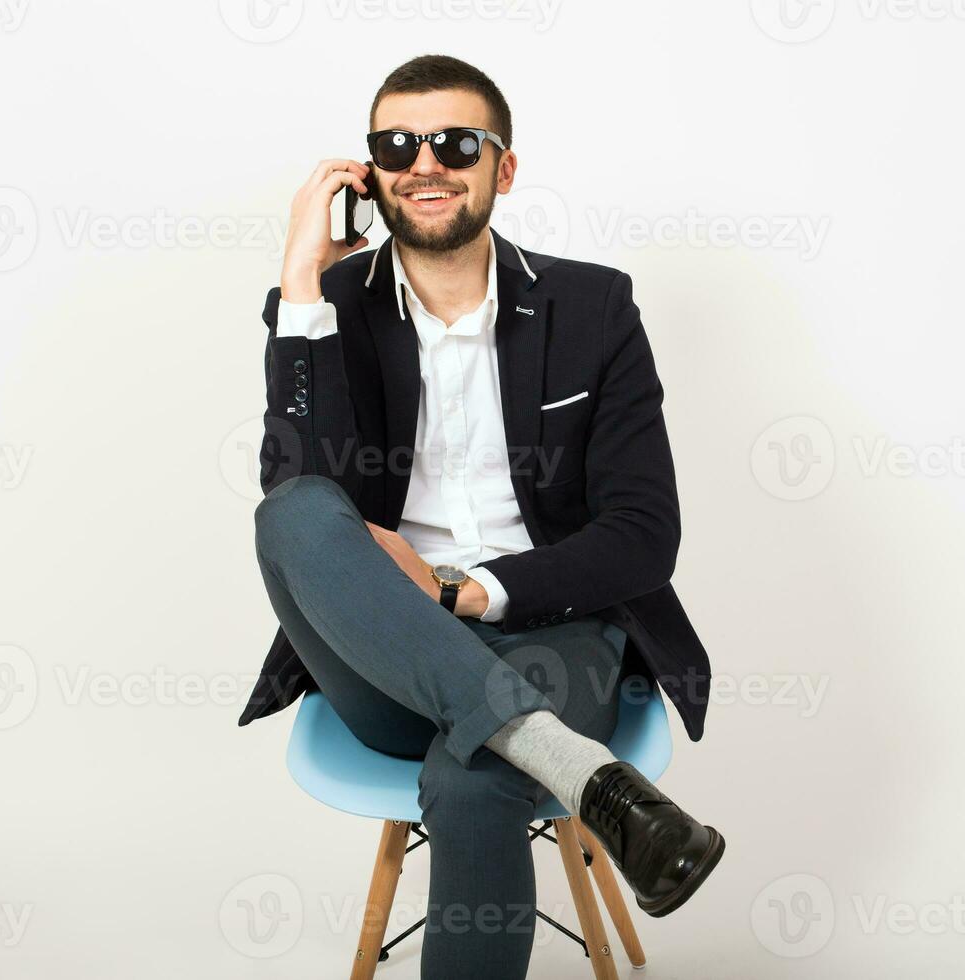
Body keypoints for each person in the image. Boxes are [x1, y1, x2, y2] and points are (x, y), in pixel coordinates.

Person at [239, 54, 724, 979]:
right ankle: (580, 770)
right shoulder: (329, 309)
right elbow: (304, 497)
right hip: (381, 648)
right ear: (370, 172)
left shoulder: (593, 306)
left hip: (552, 629)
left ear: (502, 167)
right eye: (397, 145)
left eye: (456, 143)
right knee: (291, 514)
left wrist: (467, 591)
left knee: (475, 782)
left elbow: (643, 533)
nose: (425, 163)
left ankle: (521, 742)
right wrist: (302, 284)